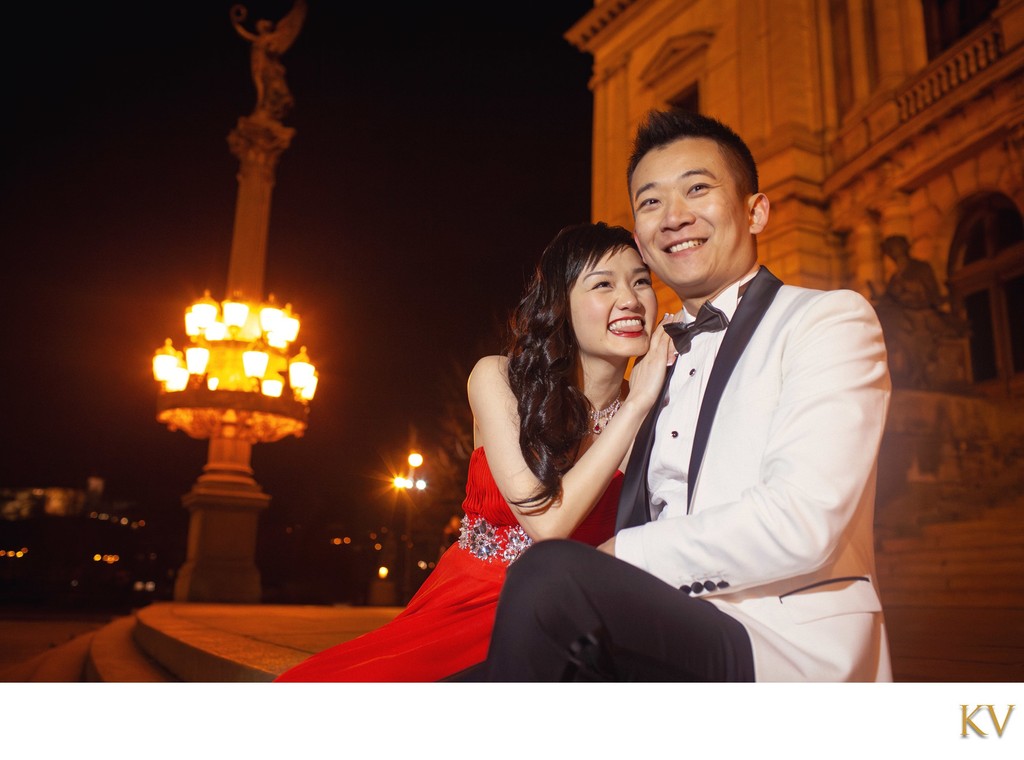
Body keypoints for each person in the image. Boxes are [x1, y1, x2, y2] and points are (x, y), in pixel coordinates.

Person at [477, 108, 893, 682]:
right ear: (643, 245)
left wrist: (615, 561)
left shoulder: (826, 320)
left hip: (780, 646)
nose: (673, 216)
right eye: (650, 202)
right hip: (647, 628)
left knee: (550, 579)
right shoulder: (647, 359)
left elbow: (802, 520)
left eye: (697, 188)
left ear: (755, 211)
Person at [275, 222, 674, 681]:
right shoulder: (498, 379)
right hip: (470, 602)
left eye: (641, 280)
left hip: (576, 614)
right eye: (603, 284)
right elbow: (547, 522)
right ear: (560, 304)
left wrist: (644, 400)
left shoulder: (660, 412)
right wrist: (639, 402)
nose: (630, 298)